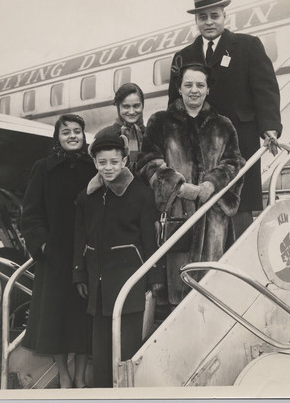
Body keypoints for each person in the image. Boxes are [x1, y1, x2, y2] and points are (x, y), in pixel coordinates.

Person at [168, 0, 282, 237]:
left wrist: (269, 128)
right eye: (202, 17)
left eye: (214, 15)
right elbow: (174, 105)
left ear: (224, 16)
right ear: (196, 21)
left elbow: (266, 90)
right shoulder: (183, 56)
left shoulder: (248, 46)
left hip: (240, 141)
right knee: (202, 206)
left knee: (239, 208)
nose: (209, 22)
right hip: (198, 145)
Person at [137, 63, 245, 305]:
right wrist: (177, 187)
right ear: (179, 88)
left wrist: (211, 185)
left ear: (208, 90)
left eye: (200, 85)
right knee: (177, 291)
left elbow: (234, 162)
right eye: (188, 84)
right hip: (177, 215)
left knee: (213, 292)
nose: (194, 90)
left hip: (213, 220)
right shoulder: (160, 121)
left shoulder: (223, 125)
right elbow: (147, 163)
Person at [73, 133, 163, 388]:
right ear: (95, 163)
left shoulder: (141, 195)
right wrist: (78, 273)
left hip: (129, 283)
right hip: (98, 285)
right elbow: (80, 238)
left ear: (125, 160)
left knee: (127, 348)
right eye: (102, 163)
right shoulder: (87, 197)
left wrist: (154, 276)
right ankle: (103, 391)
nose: (108, 168)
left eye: (114, 161)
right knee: (101, 351)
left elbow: (150, 239)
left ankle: (126, 391)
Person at [20, 114, 96, 388]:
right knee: (55, 321)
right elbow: (30, 214)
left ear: (84, 136)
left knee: (85, 320)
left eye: (77, 131)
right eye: (66, 132)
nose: (72, 136)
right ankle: (64, 373)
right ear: (58, 137)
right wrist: (42, 244)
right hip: (54, 258)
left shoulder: (93, 168)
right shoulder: (43, 168)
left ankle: (79, 375)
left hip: (87, 255)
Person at [92, 83, 146, 172]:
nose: (132, 112)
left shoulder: (152, 135)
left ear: (142, 106)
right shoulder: (103, 136)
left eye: (136, 106)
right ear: (118, 107)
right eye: (126, 106)